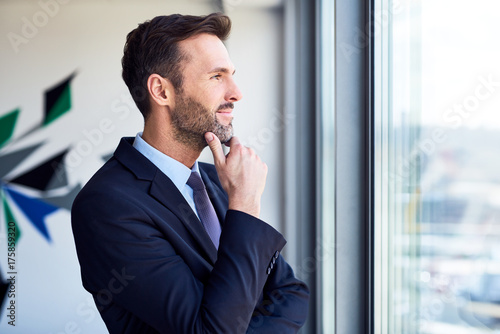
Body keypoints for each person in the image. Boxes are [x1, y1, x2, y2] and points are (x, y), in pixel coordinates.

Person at [71, 12, 309, 333]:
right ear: (161, 91)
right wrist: (246, 206)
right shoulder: (107, 206)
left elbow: (290, 293)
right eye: (216, 76)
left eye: (231, 75)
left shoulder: (218, 180)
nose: (236, 93)